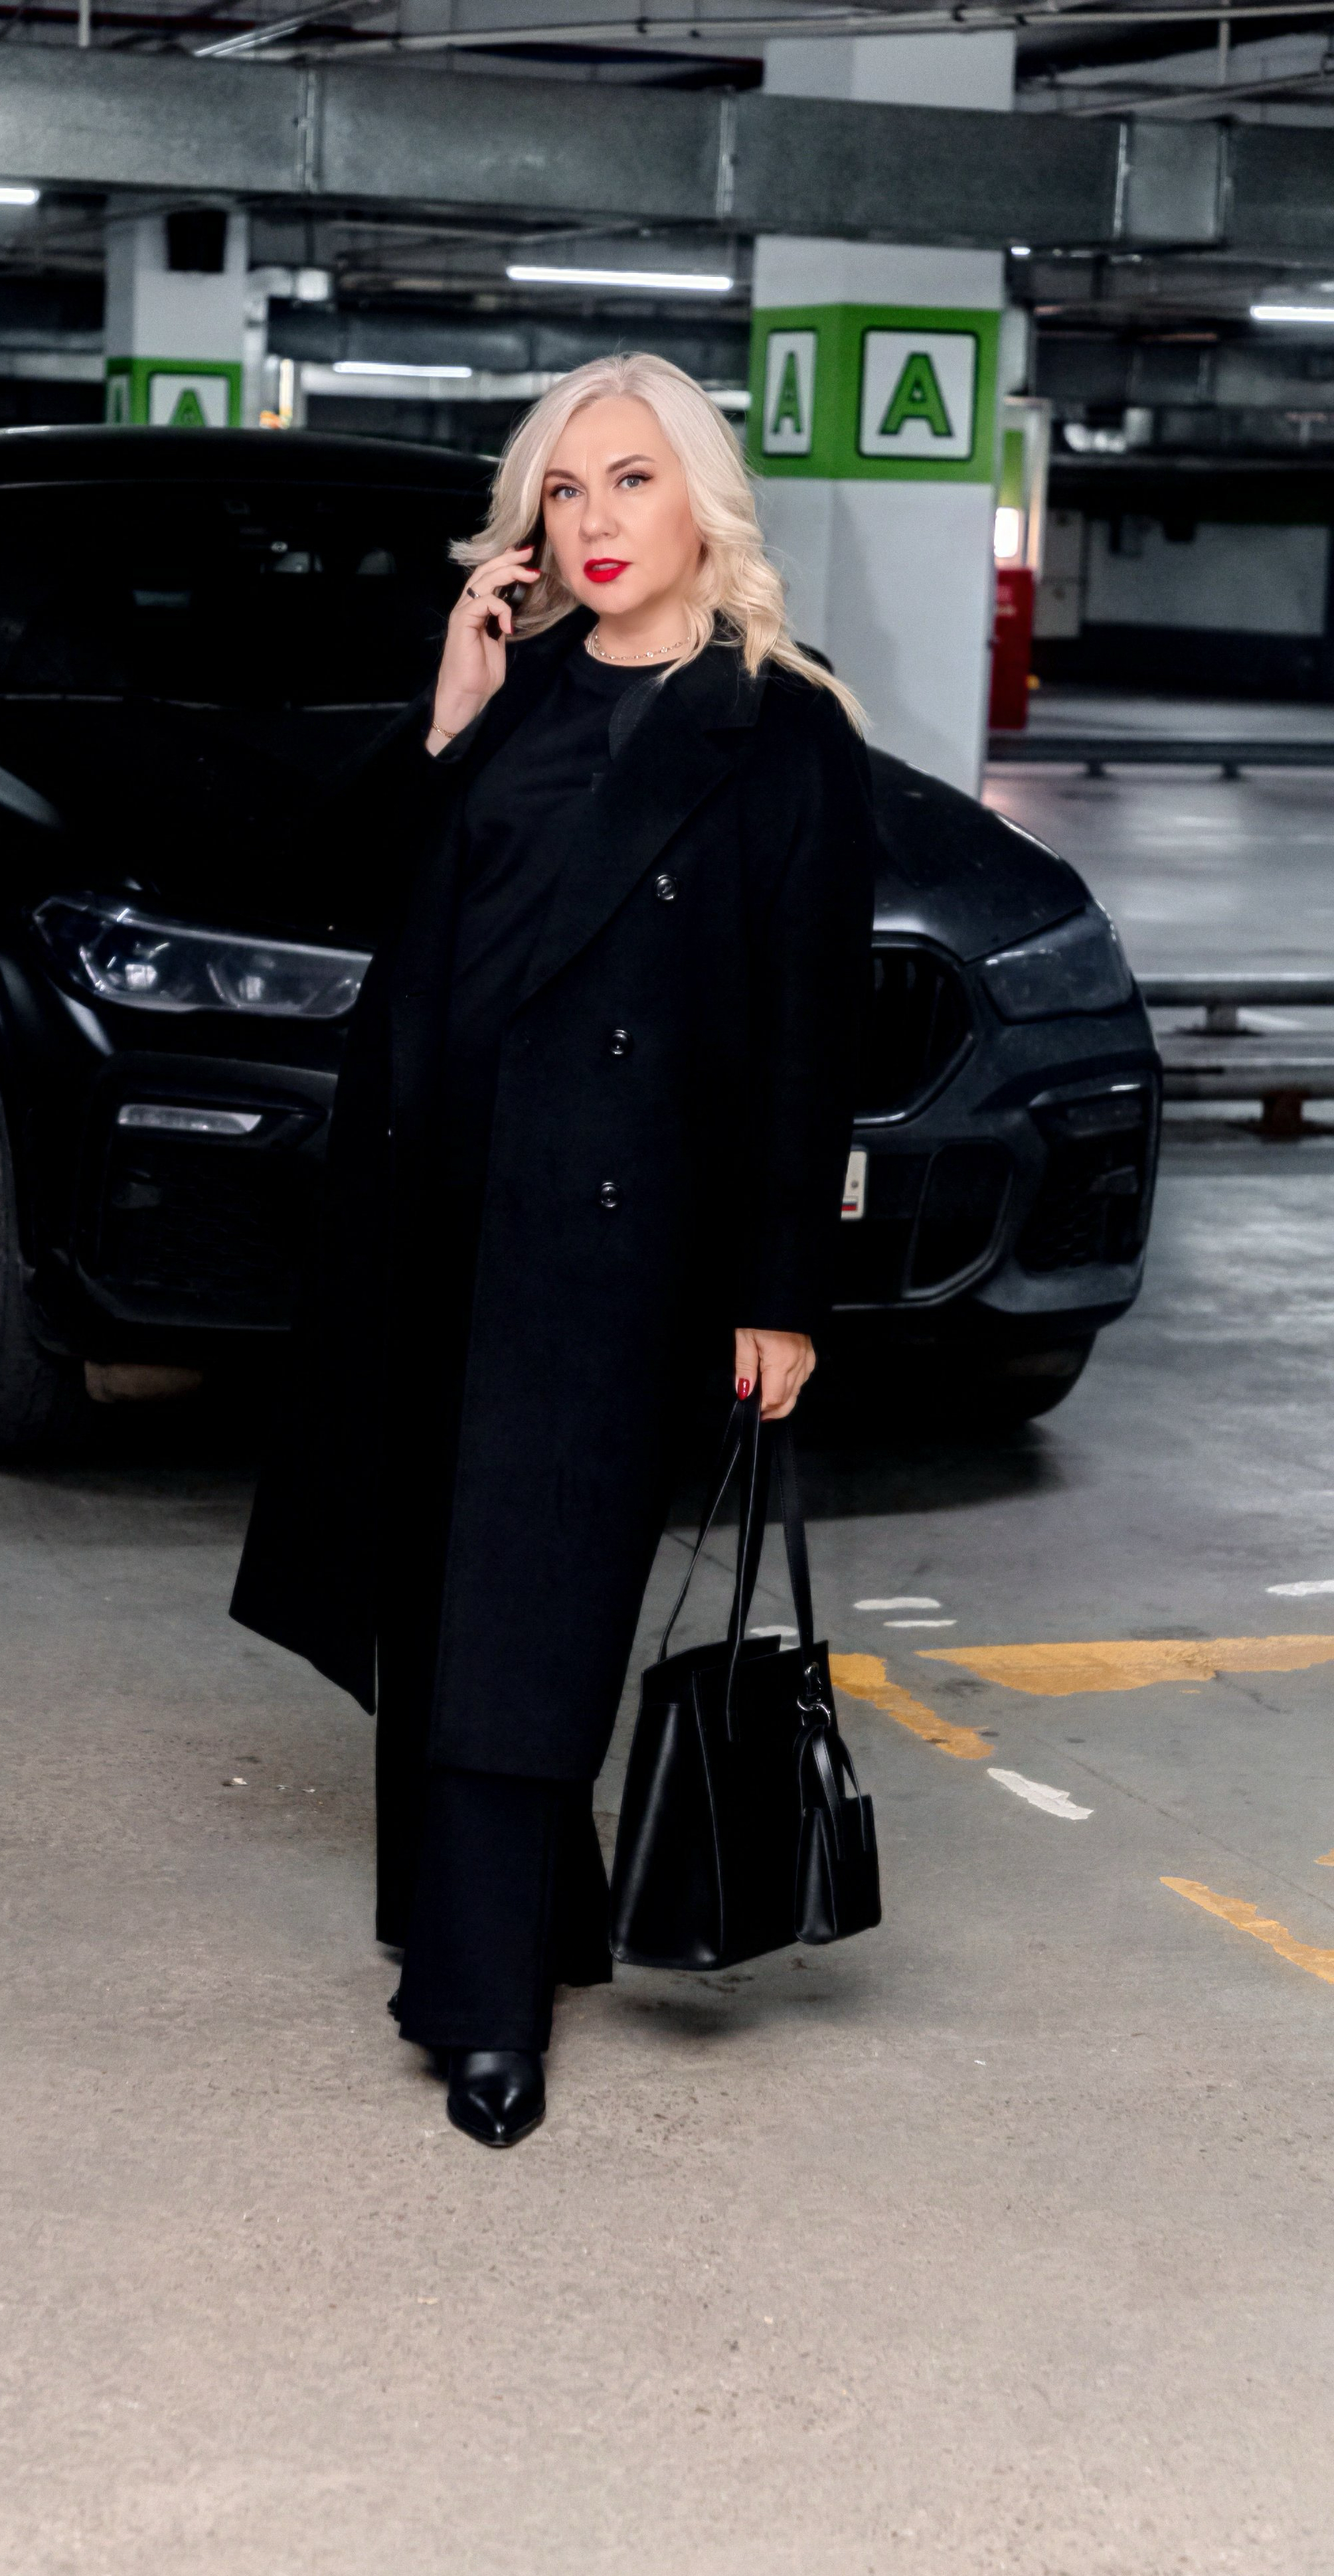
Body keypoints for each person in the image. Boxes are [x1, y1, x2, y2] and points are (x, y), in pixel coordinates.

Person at [232, 351, 876, 2148]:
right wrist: (445, 718)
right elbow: (342, 892)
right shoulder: (509, 698)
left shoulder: (782, 729)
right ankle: (527, 1913)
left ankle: (481, 2001)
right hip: (435, 1213)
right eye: (566, 489)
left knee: (531, 1603)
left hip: (618, 1242)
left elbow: (810, 1035)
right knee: (443, 1589)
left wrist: (780, 1294)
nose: (595, 521)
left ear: (703, 504)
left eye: (632, 481)